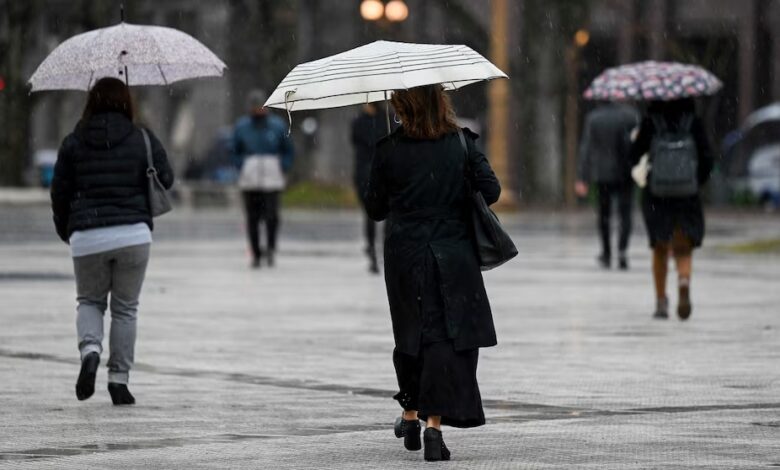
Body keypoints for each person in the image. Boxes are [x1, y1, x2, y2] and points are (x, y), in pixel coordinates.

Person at [364, 85, 500, 462]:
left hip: (406, 255)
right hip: (453, 253)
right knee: (443, 337)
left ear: (401, 106)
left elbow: (375, 208)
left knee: (410, 333)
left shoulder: (388, 149)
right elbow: (492, 189)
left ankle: (409, 414)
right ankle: (433, 428)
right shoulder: (460, 142)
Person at [50, 77, 174, 405]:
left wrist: (67, 229)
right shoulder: (142, 137)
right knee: (125, 309)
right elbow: (167, 178)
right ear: (126, 101)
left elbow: (59, 191)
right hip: (133, 233)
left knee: (89, 301)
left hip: (87, 235)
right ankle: (118, 379)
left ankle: (90, 350)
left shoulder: (73, 141)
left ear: (91, 101)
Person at [629, 98, 714, 320]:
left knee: (659, 247)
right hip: (687, 194)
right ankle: (684, 281)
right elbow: (707, 158)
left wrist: (639, 141)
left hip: (658, 194)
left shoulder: (652, 122)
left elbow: (633, 156)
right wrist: (696, 180)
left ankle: (660, 301)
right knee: (683, 247)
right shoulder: (693, 122)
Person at [232, 89, 294, 268]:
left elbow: (288, 148)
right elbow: (234, 149)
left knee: (272, 215)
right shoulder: (242, 126)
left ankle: (271, 247)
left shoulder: (277, 125)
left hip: (272, 175)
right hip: (250, 177)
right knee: (252, 217)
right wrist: (241, 165)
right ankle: (256, 252)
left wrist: (283, 166)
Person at [575, 103, 639, 269]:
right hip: (626, 172)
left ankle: (606, 252)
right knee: (625, 214)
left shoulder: (594, 118)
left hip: (603, 174)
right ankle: (622, 250)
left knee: (604, 215)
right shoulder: (631, 116)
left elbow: (586, 148)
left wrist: (583, 177)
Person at [351, 102, 386, 274]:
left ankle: (383, 247)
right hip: (365, 173)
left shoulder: (386, 119)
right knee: (370, 213)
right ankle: (371, 248)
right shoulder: (359, 121)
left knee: (389, 214)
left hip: (383, 172)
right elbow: (357, 139)